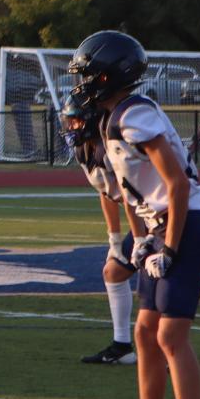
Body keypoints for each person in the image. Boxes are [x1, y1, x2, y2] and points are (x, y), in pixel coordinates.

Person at [75, 32, 200, 399]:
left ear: (110, 72)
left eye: (87, 73)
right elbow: (134, 195)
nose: (81, 83)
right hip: (163, 227)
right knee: (144, 334)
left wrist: (169, 246)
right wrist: (140, 241)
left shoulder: (135, 115)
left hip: (185, 224)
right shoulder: (114, 117)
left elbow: (175, 185)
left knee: (171, 337)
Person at [62, 91, 138, 366]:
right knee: (114, 272)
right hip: (147, 216)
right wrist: (114, 240)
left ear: (92, 121)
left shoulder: (113, 146)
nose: (70, 127)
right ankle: (122, 347)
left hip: (163, 216)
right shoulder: (86, 148)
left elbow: (131, 195)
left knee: (159, 288)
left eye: (76, 121)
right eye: (69, 121)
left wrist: (140, 240)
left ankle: (168, 351)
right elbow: (106, 192)